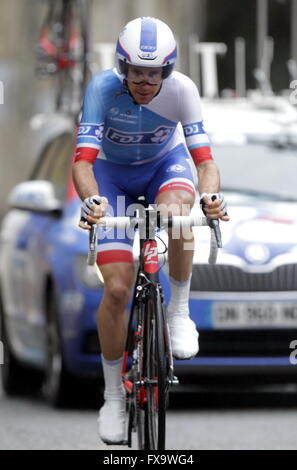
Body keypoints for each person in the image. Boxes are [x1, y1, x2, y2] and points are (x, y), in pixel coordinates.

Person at [72, 16, 229, 445]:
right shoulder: (102, 89)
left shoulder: (182, 91)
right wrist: (92, 201)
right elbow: (83, 161)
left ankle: (178, 312)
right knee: (118, 290)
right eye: (136, 72)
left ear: (168, 70)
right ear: (122, 67)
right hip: (111, 177)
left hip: (165, 167)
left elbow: (205, 162)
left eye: (154, 72)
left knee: (178, 214)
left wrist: (211, 198)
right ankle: (112, 398)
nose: (144, 81)